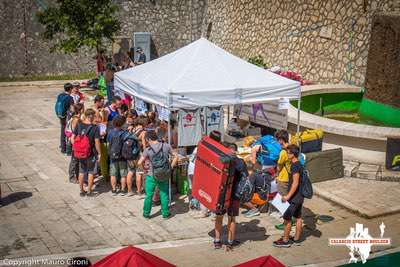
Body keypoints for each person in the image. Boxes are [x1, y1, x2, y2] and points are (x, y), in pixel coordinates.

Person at [214, 142, 246, 251]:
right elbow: (244, 178)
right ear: (236, 151)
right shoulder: (241, 162)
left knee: (219, 217)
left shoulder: (222, 161)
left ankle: (217, 241)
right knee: (231, 219)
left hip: (222, 194)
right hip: (234, 195)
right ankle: (230, 242)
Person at [138, 130, 177, 219]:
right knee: (163, 194)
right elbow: (176, 156)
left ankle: (146, 214)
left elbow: (139, 162)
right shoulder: (166, 146)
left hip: (151, 175)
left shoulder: (148, 150)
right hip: (164, 174)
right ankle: (165, 214)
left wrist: (144, 169)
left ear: (148, 139)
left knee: (149, 195)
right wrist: (170, 167)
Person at [273, 144, 304, 248]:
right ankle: (296, 239)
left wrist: (287, 196)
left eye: (288, 152)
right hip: (300, 195)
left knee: (287, 219)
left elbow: (295, 183)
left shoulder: (295, 166)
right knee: (298, 217)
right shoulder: (299, 163)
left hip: (294, 197)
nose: (287, 154)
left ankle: (285, 241)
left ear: (293, 154)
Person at [71, 108, 101, 197]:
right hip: (91, 153)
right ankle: (88, 191)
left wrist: (77, 147)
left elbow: (73, 137)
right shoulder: (95, 128)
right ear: (91, 116)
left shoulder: (79, 125)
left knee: (81, 171)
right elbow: (97, 142)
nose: (95, 117)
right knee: (91, 172)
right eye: (95, 115)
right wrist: (99, 153)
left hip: (80, 153)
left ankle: (81, 190)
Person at [108, 115, 129, 196]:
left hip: (112, 156)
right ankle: (123, 190)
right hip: (122, 156)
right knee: (123, 174)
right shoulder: (124, 133)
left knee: (113, 174)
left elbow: (109, 142)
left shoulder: (110, 132)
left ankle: (113, 189)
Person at [67, 103, 84, 183]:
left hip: (76, 141)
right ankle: (72, 177)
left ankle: (77, 175)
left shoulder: (77, 118)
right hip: (74, 141)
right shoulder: (76, 119)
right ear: (81, 110)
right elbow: (75, 132)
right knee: (74, 160)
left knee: (77, 159)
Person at [56, 83, 74, 154]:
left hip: (61, 116)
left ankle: (63, 148)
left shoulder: (60, 95)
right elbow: (72, 109)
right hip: (67, 117)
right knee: (69, 132)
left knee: (62, 131)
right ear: (70, 89)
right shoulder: (70, 98)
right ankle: (68, 149)